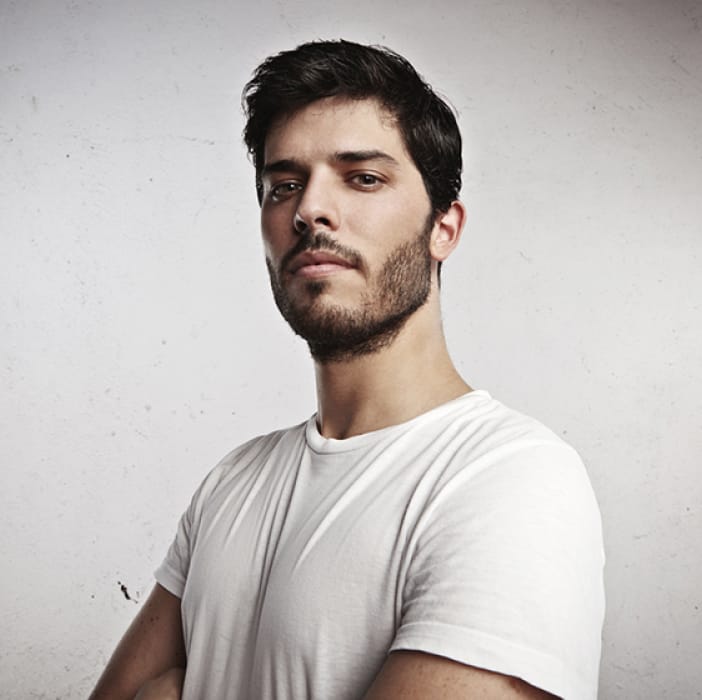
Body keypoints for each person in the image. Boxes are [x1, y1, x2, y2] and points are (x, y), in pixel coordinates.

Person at [90, 39, 605, 700]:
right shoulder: (231, 482)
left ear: (443, 228)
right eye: (284, 186)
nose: (309, 210)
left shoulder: (510, 479)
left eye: (362, 177)